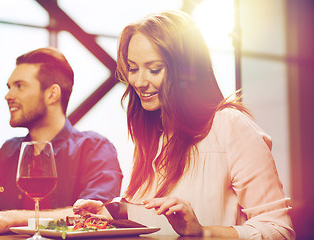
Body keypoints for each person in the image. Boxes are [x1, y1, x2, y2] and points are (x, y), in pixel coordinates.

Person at [74, 10, 295, 239]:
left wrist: (203, 233)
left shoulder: (230, 126)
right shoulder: (153, 132)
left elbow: (279, 231)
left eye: (154, 69)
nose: (139, 82)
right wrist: (113, 213)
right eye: (133, 68)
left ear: (186, 72)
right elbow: (159, 216)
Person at [0, 47, 123, 232]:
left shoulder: (94, 148)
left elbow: (96, 215)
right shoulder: (7, 150)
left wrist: (9, 219)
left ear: (52, 94)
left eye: (20, 86)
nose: (8, 96)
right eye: (9, 87)